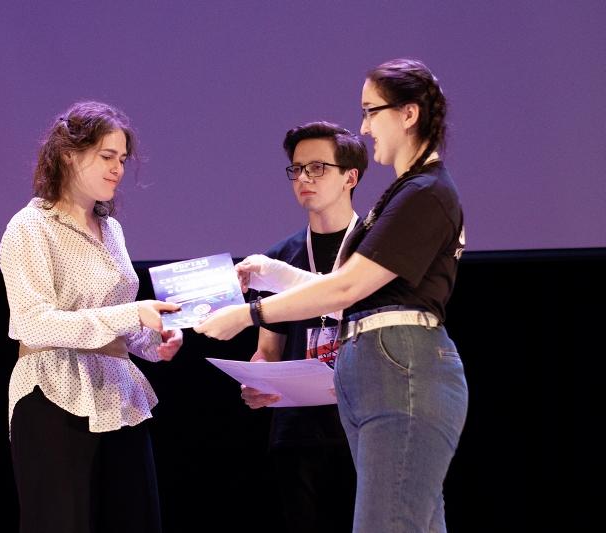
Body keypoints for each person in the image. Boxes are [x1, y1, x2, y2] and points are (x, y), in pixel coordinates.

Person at [195, 58, 468, 533]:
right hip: (380, 371)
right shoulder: (406, 192)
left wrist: (249, 314)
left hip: (402, 369)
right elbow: (348, 291)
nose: (364, 127)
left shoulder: (425, 192)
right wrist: (273, 272)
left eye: (371, 111)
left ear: (408, 114)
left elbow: (347, 287)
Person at [0, 101, 183, 533]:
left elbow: (120, 318)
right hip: (54, 393)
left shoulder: (112, 230)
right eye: (106, 156)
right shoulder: (30, 227)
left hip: (119, 396)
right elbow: (33, 322)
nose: (118, 169)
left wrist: (155, 341)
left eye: (122, 159)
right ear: (68, 155)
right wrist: (132, 314)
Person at [240, 121, 366, 533]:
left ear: (350, 177)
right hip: (298, 433)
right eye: (297, 169)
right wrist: (258, 378)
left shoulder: (375, 249)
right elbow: (268, 350)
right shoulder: (279, 257)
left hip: (364, 426)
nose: (304, 178)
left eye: (317, 168)